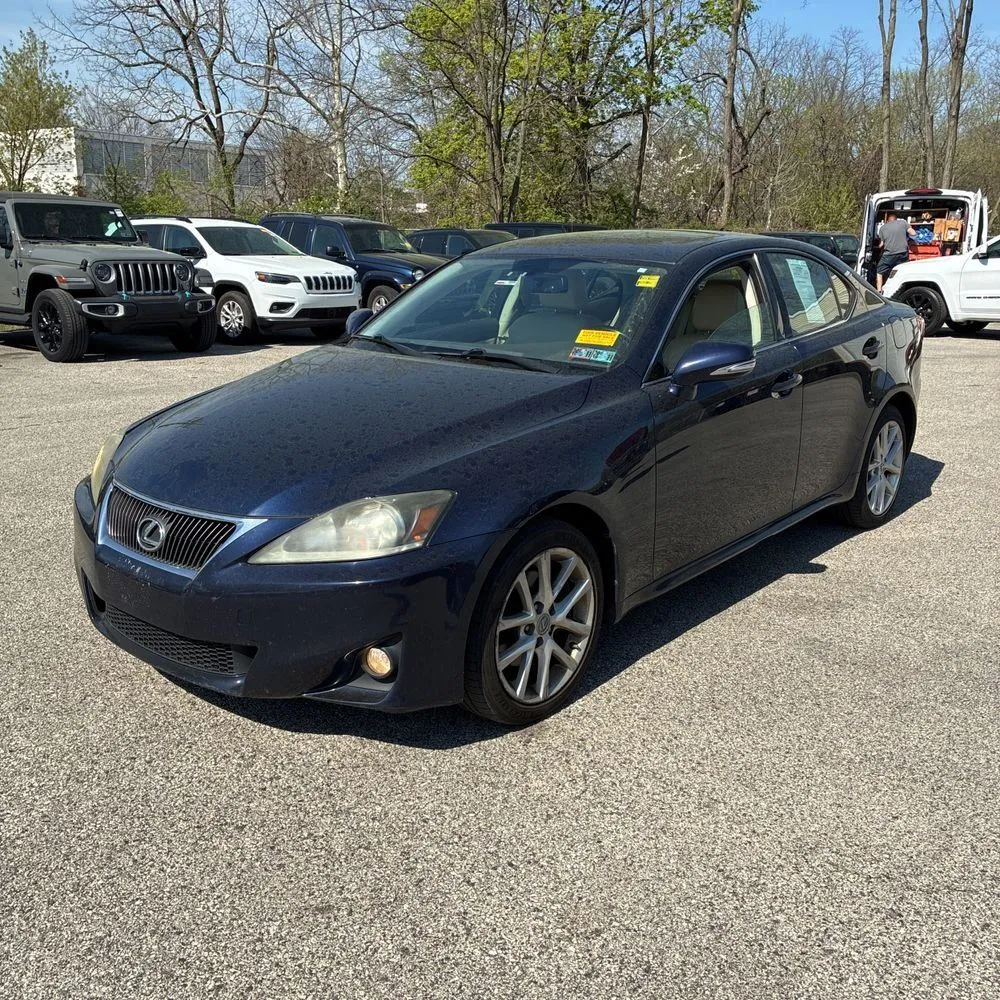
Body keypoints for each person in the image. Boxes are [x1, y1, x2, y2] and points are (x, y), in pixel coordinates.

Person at [875, 210, 917, 291]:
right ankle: (903, 289)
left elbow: (881, 245)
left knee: (879, 272)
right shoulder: (903, 223)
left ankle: (879, 290)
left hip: (889, 255)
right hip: (903, 254)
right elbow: (913, 233)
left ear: (887, 221)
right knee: (903, 271)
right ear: (896, 219)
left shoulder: (883, 228)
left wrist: (877, 247)